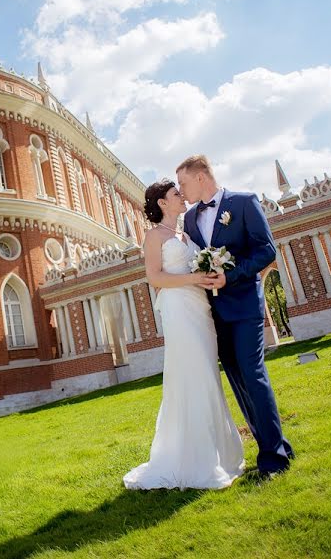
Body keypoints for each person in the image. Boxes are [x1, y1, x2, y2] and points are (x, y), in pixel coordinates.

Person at [176, 154, 294, 478]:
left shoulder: (243, 203)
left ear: (201, 177)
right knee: (238, 381)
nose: (180, 189)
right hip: (213, 314)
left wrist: (233, 274)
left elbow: (266, 250)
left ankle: (274, 460)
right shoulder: (188, 219)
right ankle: (274, 444)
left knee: (253, 375)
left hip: (244, 306)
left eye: (183, 183)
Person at [123, 179, 245, 490]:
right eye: (176, 194)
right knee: (194, 374)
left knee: (208, 373)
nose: (182, 197)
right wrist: (194, 277)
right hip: (178, 309)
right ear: (162, 203)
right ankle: (196, 461)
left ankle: (220, 454)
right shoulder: (154, 236)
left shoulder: (186, 235)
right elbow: (154, 277)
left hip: (200, 308)